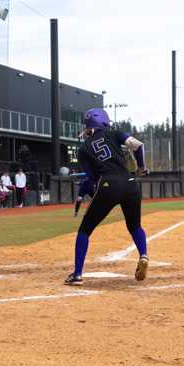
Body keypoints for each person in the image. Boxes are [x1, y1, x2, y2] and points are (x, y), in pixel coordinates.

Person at [64, 108, 150, 286]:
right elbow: (138, 145)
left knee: (85, 229)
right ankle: (143, 254)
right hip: (130, 182)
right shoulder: (115, 133)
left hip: (108, 185)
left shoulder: (84, 149)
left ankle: (77, 274)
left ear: (89, 126)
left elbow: (92, 178)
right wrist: (140, 167)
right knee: (134, 226)